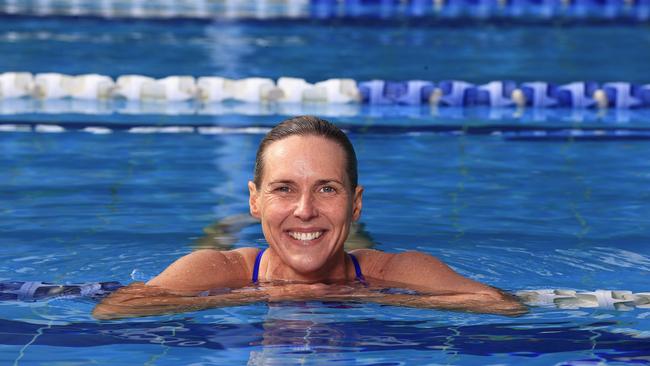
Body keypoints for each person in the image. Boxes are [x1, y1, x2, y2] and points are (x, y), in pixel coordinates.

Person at [93, 116, 525, 319]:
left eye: (327, 188)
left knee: (331, 236)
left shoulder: (397, 269)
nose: (304, 207)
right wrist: (258, 296)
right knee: (309, 231)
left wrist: (362, 295)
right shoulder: (219, 267)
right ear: (254, 200)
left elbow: (503, 305)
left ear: (355, 202)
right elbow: (113, 310)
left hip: (354, 262)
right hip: (262, 266)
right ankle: (227, 225)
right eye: (283, 188)